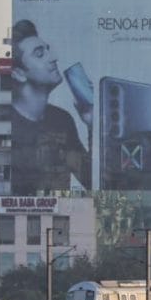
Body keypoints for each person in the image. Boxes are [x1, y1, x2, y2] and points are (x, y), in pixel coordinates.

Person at [10, 19, 92, 194]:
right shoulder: (6, 124)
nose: (53, 57)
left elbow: (90, 179)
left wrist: (92, 125)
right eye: (40, 54)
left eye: (47, 49)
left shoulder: (62, 120)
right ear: (18, 73)